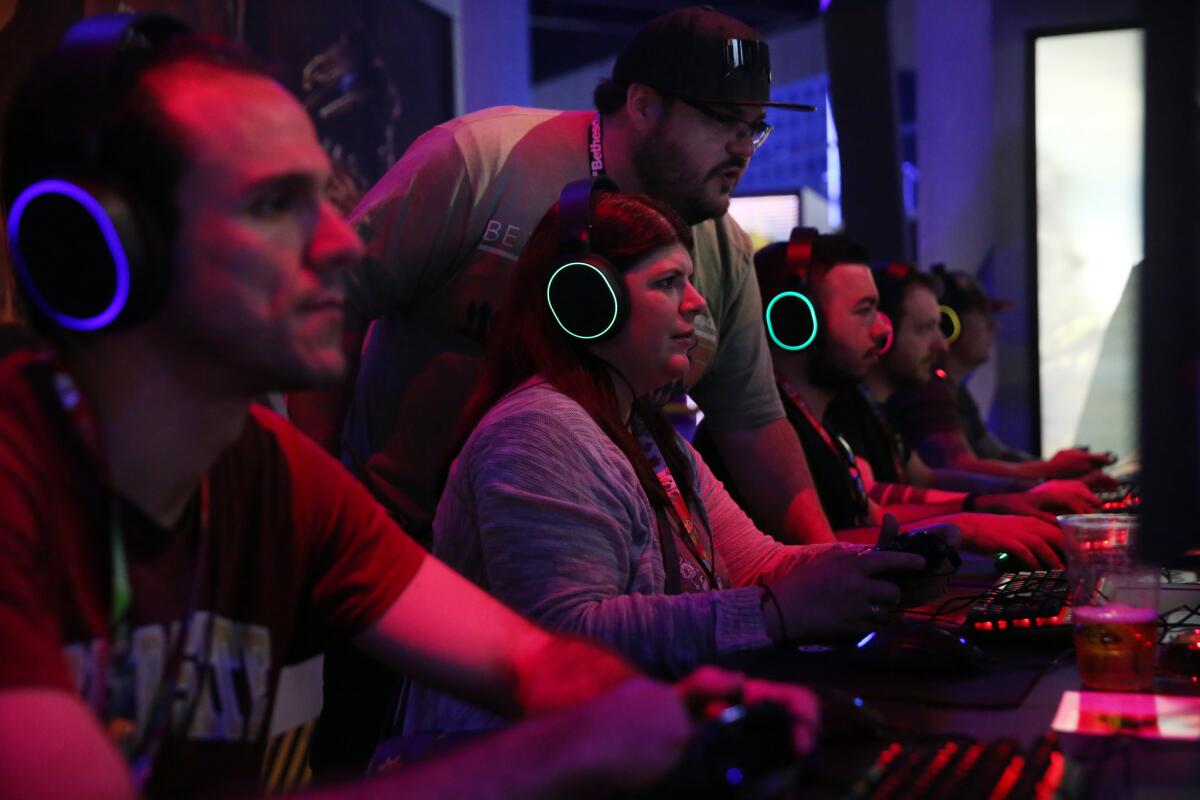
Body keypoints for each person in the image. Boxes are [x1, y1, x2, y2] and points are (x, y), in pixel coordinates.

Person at [0, 15, 820, 799]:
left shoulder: (270, 474)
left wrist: (683, 718)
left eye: (321, 199)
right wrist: (549, 758)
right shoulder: (18, 479)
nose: (338, 244)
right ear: (96, 248)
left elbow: (528, 661)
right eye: (271, 206)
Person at [403, 185, 949, 735]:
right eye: (668, 282)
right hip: (516, 767)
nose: (698, 302)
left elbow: (755, 561)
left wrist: (868, 569)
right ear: (588, 303)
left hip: (620, 748)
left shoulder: (647, 434)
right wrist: (771, 612)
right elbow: (566, 634)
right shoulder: (538, 431)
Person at [313, 5, 838, 547]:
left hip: (592, 558)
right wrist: (316, 505)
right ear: (642, 105)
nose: (742, 148)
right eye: (723, 119)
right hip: (399, 535)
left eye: (754, 128)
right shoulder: (480, 162)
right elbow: (329, 299)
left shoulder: (725, 248)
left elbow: (752, 423)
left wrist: (828, 561)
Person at [701, 233, 1084, 568]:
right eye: (865, 311)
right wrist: (968, 521)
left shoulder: (817, 424)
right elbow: (811, 552)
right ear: (796, 323)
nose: (883, 329)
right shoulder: (759, 437)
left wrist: (983, 511)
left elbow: (876, 519)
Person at [878, 265, 1117, 490]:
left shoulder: (955, 392)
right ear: (954, 323)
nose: (994, 327)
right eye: (984, 314)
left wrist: (1055, 470)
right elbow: (957, 468)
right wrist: (1052, 471)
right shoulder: (927, 394)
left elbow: (994, 456)